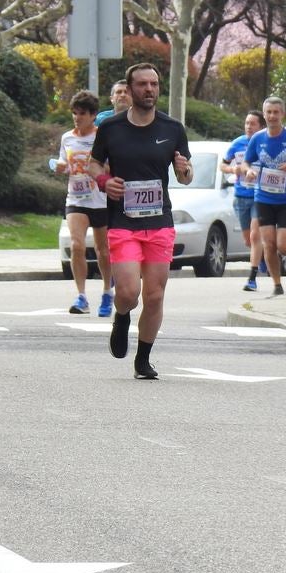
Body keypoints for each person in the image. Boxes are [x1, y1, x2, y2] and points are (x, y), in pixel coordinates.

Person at [88, 63, 192, 380]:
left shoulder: (172, 129)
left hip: (160, 221)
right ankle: (122, 316)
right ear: (131, 89)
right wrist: (105, 180)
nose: (150, 89)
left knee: (155, 295)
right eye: (143, 84)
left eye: (154, 84)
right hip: (123, 221)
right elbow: (93, 165)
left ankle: (143, 359)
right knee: (129, 292)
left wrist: (184, 168)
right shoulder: (111, 128)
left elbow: (186, 176)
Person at [241, 96, 286, 297]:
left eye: (276, 112)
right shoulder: (258, 138)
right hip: (263, 197)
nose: (272, 116)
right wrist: (249, 171)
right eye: (268, 112)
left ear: (283, 114)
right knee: (269, 244)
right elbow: (246, 162)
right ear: (264, 115)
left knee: (283, 244)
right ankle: (277, 285)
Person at [56, 90, 114, 317]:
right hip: (76, 198)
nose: (77, 118)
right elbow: (64, 161)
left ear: (93, 115)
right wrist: (61, 167)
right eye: (74, 113)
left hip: (100, 199)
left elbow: (111, 166)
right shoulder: (67, 138)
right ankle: (81, 296)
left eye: (82, 114)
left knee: (103, 250)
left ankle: (107, 291)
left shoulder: (102, 137)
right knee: (76, 245)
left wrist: (100, 170)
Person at [222, 110, 266, 290]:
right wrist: (234, 170)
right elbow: (223, 165)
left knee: (256, 235)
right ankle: (261, 256)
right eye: (247, 123)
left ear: (261, 126)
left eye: (253, 123)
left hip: (260, 195)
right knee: (248, 240)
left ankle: (252, 278)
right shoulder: (237, 143)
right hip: (241, 195)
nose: (248, 127)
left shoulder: (265, 143)